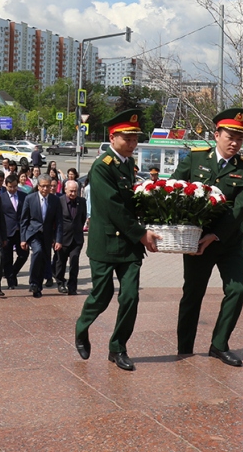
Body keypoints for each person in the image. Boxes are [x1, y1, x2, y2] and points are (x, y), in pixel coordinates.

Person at [170, 108, 243, 368]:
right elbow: (174, 189)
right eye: (230, 136)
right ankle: (184, 347)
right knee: (192, 294)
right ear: (216, 134)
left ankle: (219, 345)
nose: (235, 143)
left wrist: (216, 234)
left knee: (237, 291)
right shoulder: (196, 160)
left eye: (240, 139)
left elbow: (240, 209)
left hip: (228, 242)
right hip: (196, 242)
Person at [75, 109, 161, 372]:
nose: (132, 144)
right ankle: (81, 327)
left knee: (131, 297)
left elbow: (131, 204)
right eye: (127, 139)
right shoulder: (103, 167)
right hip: (106, 243)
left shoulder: (127, 166)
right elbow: (113, 207)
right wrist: (141, 233)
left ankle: (118, 347)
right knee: (102, 295)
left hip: (129, 246)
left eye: (135, 139)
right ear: (113, 138)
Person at [19, 173, 63, 298]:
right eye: (43, 186)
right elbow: (24, 220)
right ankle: (33, 281)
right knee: (37, 252)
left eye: (47, 186)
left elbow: (59, 222)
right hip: (33, 232)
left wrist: (58, 239)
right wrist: (23, 239)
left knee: (44, 259)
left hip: (47, 235)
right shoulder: (30, 198)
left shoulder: (55, 200)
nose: (45, 189)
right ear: (38, 186)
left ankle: (38, 286)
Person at [55, 180, 87, 295]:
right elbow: (56, 221)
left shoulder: (82, 201)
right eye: (71, 191)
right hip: (63, 238)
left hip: (76, 239)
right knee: (61, 262)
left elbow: (82, 218)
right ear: (65, 190)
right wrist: (56, 239)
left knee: (74, 261)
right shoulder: (59, 201)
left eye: (75, 191)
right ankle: (60, 282)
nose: (73, 193)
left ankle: (72, 286)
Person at [0, 174, 28, 288]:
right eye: (10, 187)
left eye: (15, 186)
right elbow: (0, 218)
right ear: (6, 186)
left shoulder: (24, 196)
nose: (13, 189)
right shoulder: (1, 198)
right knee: (7, 258)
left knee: (24, 255)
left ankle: (13, 273)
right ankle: (11, 283)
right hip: (7, 233)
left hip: (21, 231)